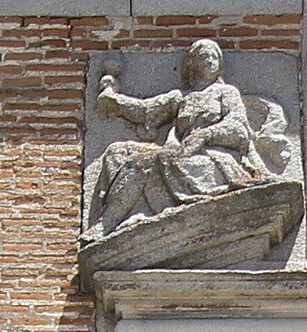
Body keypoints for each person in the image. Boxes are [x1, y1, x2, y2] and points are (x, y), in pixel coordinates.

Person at [86, 40, 290, 233]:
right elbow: (146, 110)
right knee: (117, 152)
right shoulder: (180, 97)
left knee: (150, 162)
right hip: (182, 152)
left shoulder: (226, 93)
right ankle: (125, 212)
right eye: (203, 56)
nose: (210, 60)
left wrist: (206, 135)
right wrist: (114, 100)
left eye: (214, 56)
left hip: (211, 157)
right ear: (192, 64)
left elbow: (238, 129)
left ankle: (110, 222)